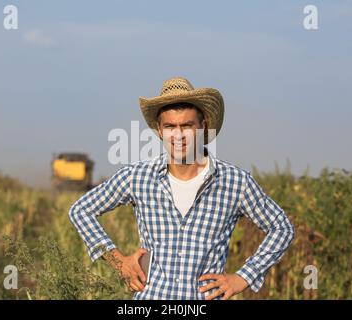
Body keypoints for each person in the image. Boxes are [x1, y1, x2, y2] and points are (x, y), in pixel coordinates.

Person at [69, 77, 295, 300]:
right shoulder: (137, 177)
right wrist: (118, 261)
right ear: (159, 130)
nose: (178, 135)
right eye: (170, 127)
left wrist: (242, 277)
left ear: (202, 126)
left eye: (186, 125)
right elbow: (80, 210)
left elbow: (282, 228)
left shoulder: (235, 182)